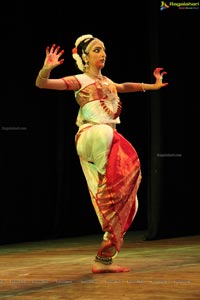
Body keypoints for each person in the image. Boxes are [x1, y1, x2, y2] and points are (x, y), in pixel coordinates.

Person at [35, 34, 168, 273]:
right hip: (91, 135)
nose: (103, 53)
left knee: (131, 204)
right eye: (97, 50)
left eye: (104, 49)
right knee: (114, 142)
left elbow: (125, 87)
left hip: (104, 138)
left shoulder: (108, 81)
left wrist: (153, 86)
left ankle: (104, 258)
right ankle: (107, 192)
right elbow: (42, 84)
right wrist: (46, 69)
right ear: (85, 56)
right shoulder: (80, 79)